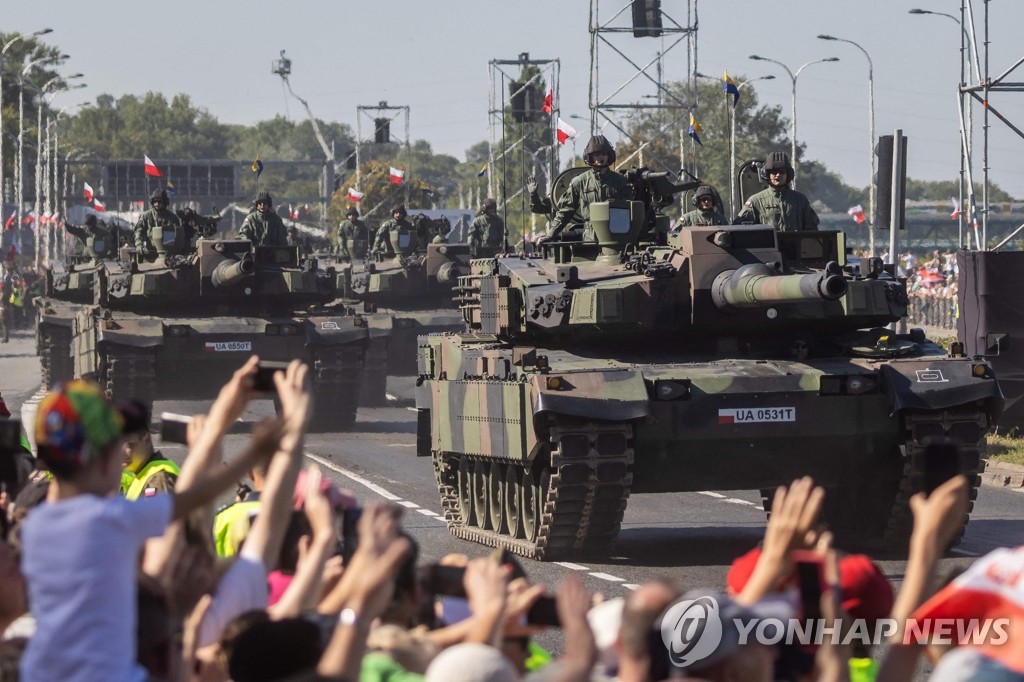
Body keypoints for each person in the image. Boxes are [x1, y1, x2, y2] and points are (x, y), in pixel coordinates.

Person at [18, 371, 283, 682]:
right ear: (100, 461)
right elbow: (195, 496)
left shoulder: (35, 522)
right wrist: (252, 450)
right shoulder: (107, 520)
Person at [547, 134, 630, 242]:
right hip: (590, 239)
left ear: (609, 156)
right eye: (596, 154)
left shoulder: (620, 181)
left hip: (616, 238)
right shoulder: (580, 182)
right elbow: (565, 212)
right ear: (589, 157)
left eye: (604, 154)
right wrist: (551, 234)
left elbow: (630, 211)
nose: (600, 157)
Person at [737, 151, 819, 231]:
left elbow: (811, 229)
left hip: (795, 244)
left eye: (782, 172)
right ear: (767, 174)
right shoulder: (756, 201)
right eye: (774, 172)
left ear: (787, 174)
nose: (778, 175)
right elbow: (740, 227)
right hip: (768, 244)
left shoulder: (800, 200)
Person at [117, 399, 180, 500]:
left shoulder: (158, 478)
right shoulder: (142, 475)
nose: (122, 454)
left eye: (128, 444)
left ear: (146, 439)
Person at [133, 188, 181, 258]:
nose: (157, 204)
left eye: (159, 202)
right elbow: (138, 231)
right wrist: (139, 245)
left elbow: (177, 236)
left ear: (164, 202)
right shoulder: (146, 216)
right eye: (155, 202)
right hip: (150, 254)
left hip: (168, 255)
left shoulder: (172, 218)